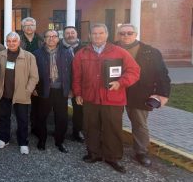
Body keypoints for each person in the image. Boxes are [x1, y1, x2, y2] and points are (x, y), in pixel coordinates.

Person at [72, 23, 140, 173]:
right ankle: (94, 153)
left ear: (107, 35)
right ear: (90, 35)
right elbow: (76, 77)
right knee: (91, 127)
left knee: (112, 128)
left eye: (101, 33)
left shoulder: (119, 52)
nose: (97, 36)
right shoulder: (82, 54)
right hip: (90, 98)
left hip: (113, 98)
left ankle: (112, 157)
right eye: (94, 33)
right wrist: (78, 93)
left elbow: (134, 71)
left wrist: (120, 82)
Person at [116, 24, 171, 167]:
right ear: (118, 35)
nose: (126, 36)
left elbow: (162, 74)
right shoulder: (111, 48)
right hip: (115, 91)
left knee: (140, 124)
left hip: (139, 93)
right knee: (112, 121)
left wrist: (163, 94)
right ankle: (112, 147)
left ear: (136, 34)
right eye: (122, 33)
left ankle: (141, 152)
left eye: (129, 33)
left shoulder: (150, 52)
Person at [0, 32, 38, 154]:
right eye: (9, 41)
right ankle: (4, 138)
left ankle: (23, 142)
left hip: (21, 94)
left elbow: (34, 77)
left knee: (22, 119)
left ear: (19, 42)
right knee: (3, 117)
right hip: (4, 93)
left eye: (14, 41)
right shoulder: (0, 55)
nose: (11, 43)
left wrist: (28, 90)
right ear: (6, 42)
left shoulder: (29, 56)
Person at [33, 30, 72, 153]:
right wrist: (33, 88)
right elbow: (32, 73)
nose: (51, 38)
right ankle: (42, 139)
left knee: (61, 117)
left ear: (58, 39)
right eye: (48, 36)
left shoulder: (67, 53)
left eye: (54, 36)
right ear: (44, 39)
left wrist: (71, 88)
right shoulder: (37, 54)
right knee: (41, 117)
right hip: (44, 90)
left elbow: (72, 72)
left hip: (61, 90)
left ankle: (59, 141)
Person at [18, 17, 43, 136]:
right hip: (22, 75)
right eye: (26, 25)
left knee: (38, 104)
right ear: (22, 28)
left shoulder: (42, 40)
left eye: (31, 25)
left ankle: (35, 127)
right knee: (23, 104)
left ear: (35, 27)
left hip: (39, 75)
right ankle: (22, 129)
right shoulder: (18, 40)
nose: (29, 27)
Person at [61, 26, 85, 142]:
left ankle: (77, 131)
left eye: (72, 32)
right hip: (62, 83)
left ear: (76, 34)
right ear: (64, 35)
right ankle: (61, 130)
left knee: (79, 109)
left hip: (79, 83)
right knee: (61, 109)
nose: (70, 35)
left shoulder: (85, 48)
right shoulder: (58, 47)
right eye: (67, 33)